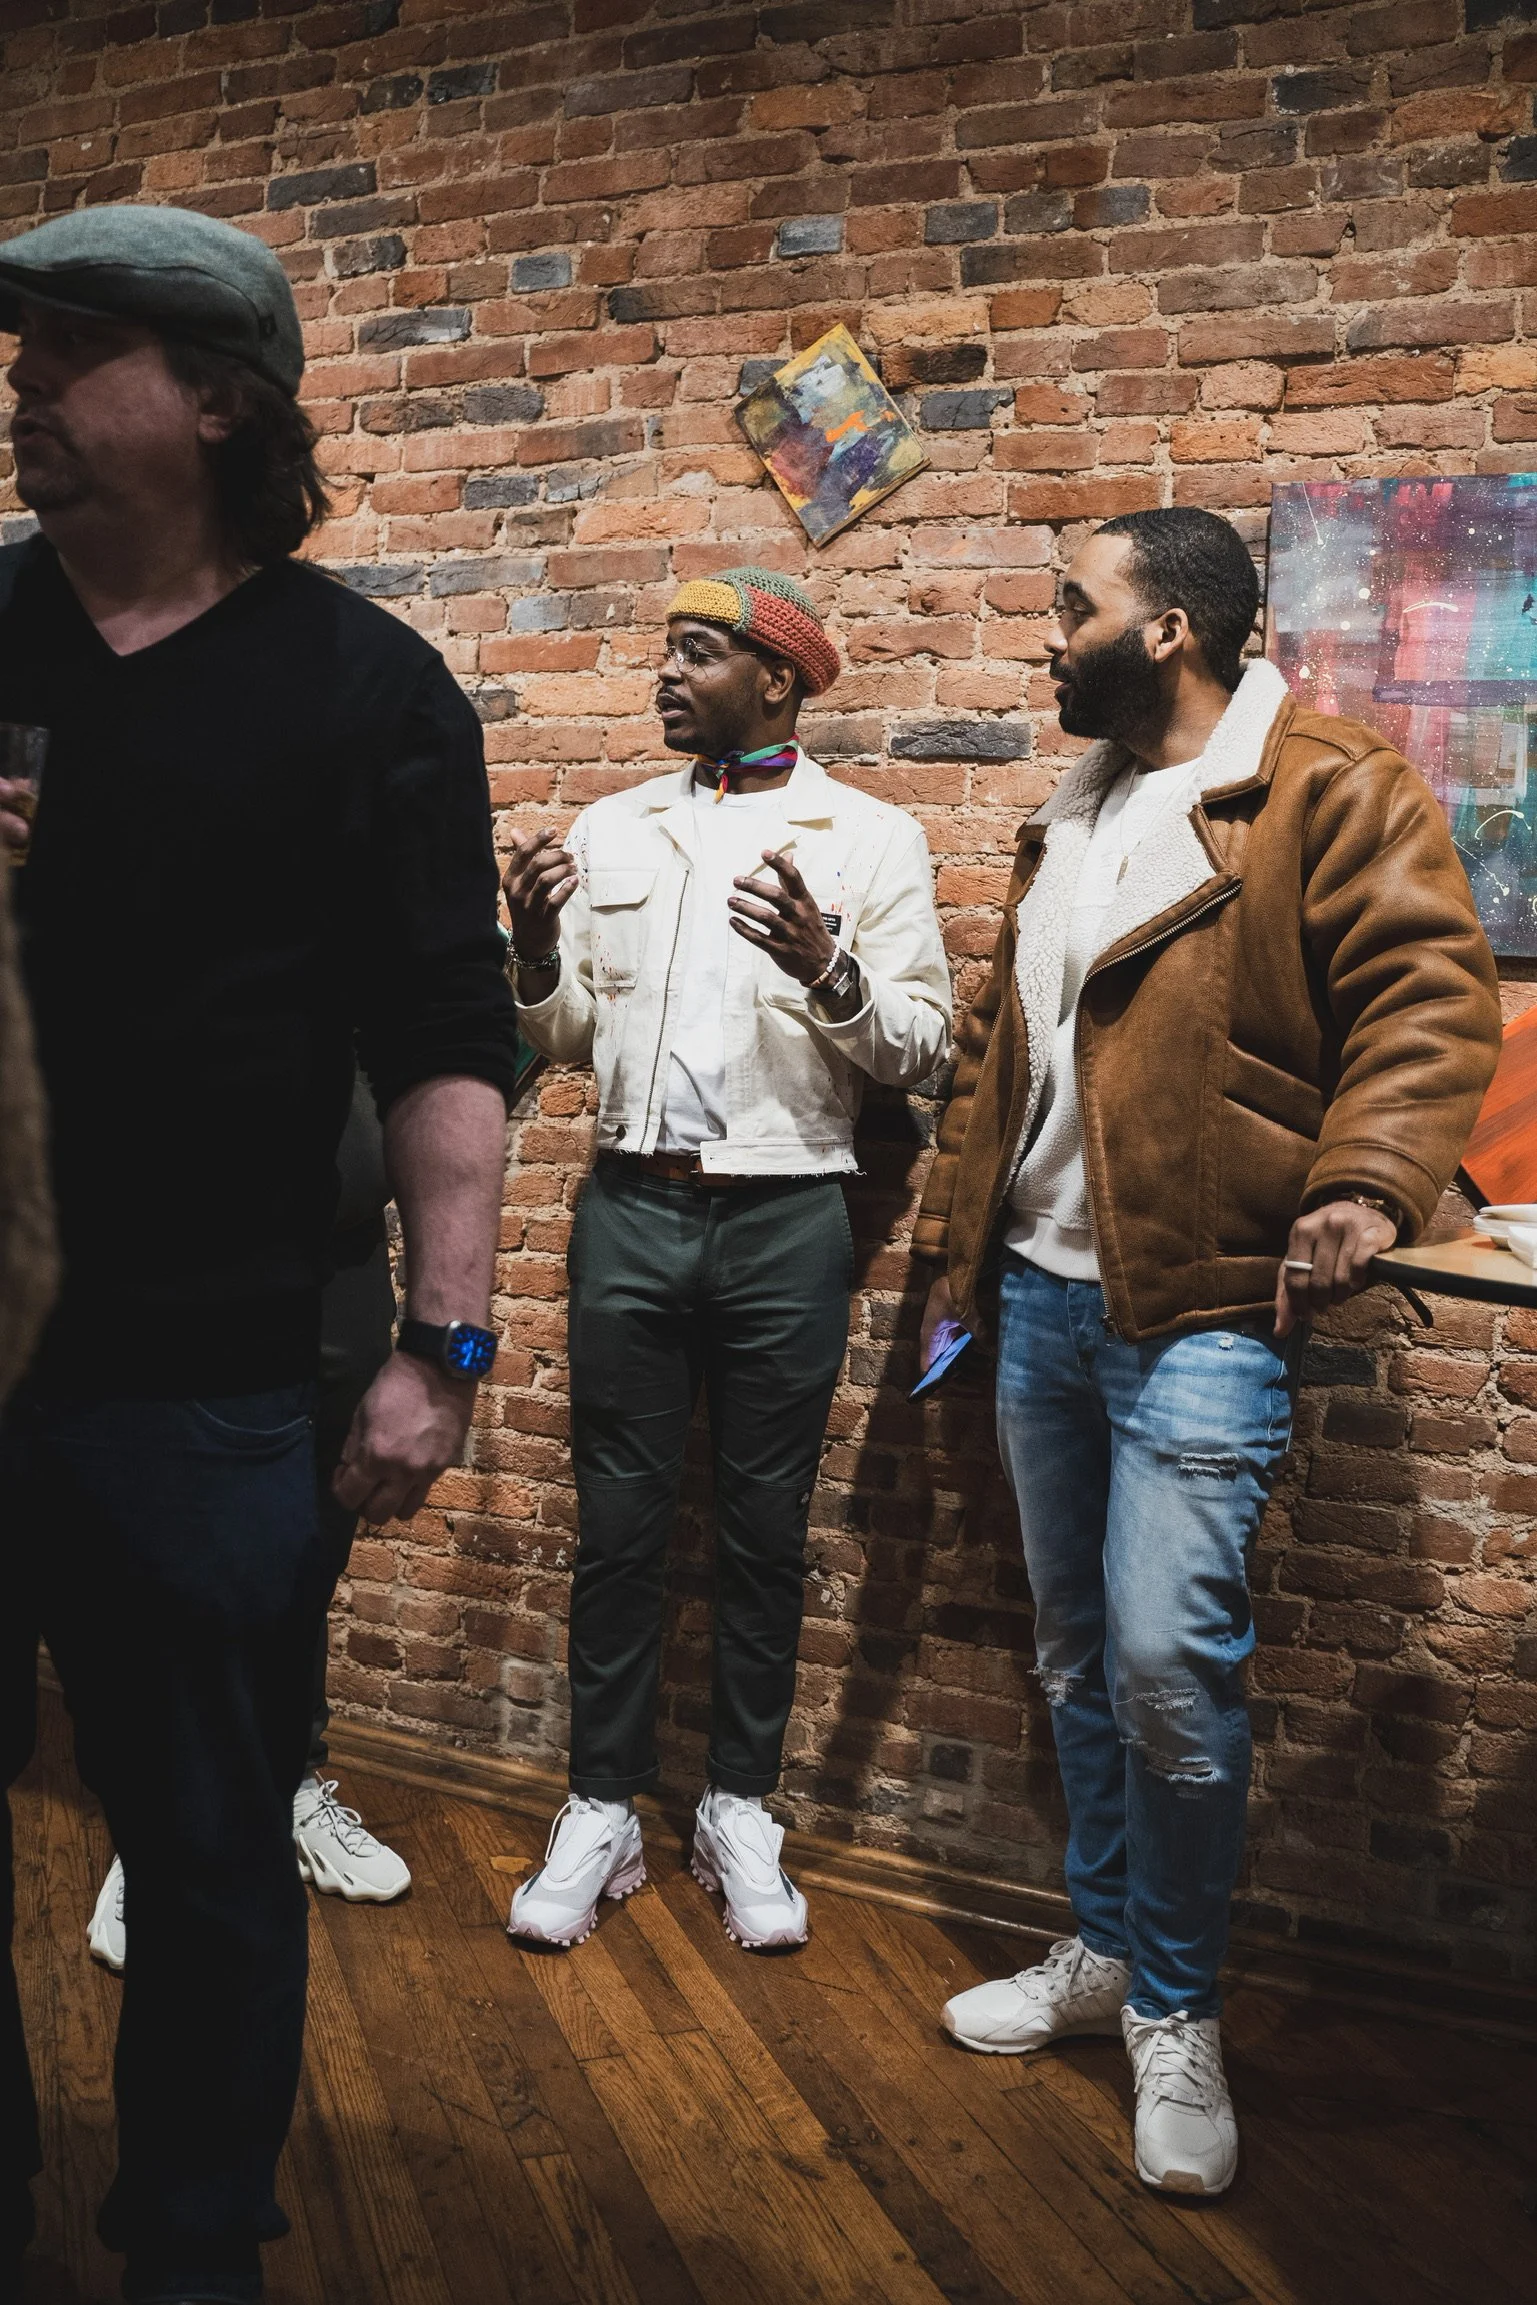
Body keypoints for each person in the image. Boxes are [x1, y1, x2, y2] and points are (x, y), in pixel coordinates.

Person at [0, 206, 520, 2305]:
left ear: (217, 398)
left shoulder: (366, 689)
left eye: (65, 357)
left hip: (206, 1380)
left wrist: (445, 1339)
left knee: (209, 1851)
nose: (23, 396)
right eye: (19, 361)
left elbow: (447, 1035)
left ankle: (192, 2247)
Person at [917, 509, 1501, 2197]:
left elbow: (1425, 991)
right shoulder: (1076, 805)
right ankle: (1103, 1951)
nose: (1045, 635)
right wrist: (962, 1256)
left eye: (1066, 609)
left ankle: (1176, 2006)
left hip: (1203, 1313)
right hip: (1038, 1300)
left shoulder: (1319, 784)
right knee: (1078, 1658)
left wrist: (1365, 1180)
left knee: (1170, 1669)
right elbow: (1002, 1056)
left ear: (1166, 629)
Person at [502, 568, 950, 1953]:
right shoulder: (613, 826)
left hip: (787, 1217)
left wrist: (831, 969)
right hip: (630, 1209)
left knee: (764, 1533)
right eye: (666, 648)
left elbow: (926, 1046)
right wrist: (526, 947)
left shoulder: (868, 839)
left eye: (698, 653)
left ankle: (738, 1805)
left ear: (778, 679)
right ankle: (600, 1805)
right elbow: (565, 1037)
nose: (667, 674)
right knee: (619, 1529)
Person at [85, 1076, 410, 1976]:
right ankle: (158, 1830)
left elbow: (445, 1065)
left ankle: (292, 1781)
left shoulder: (369, 949)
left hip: (341, 1275)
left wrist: (446, 1349)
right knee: (180, 1557)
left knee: (308, 1561)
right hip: (183, 1271)